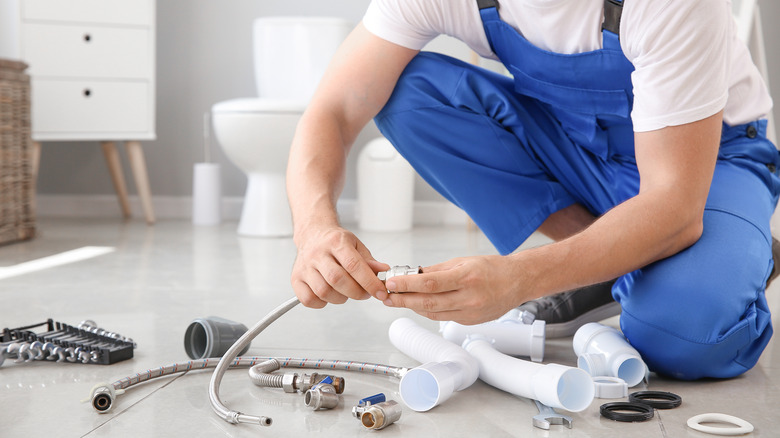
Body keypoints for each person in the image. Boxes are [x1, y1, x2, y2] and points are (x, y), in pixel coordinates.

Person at [286, 0, 779, 380]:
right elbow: (331, 110)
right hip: (577, 145)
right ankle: (626, 261)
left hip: (707, 164)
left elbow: (673, 202)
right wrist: (314, 231)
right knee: (407, 93)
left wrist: (518, 278)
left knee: (682, 335)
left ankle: (722, 251)